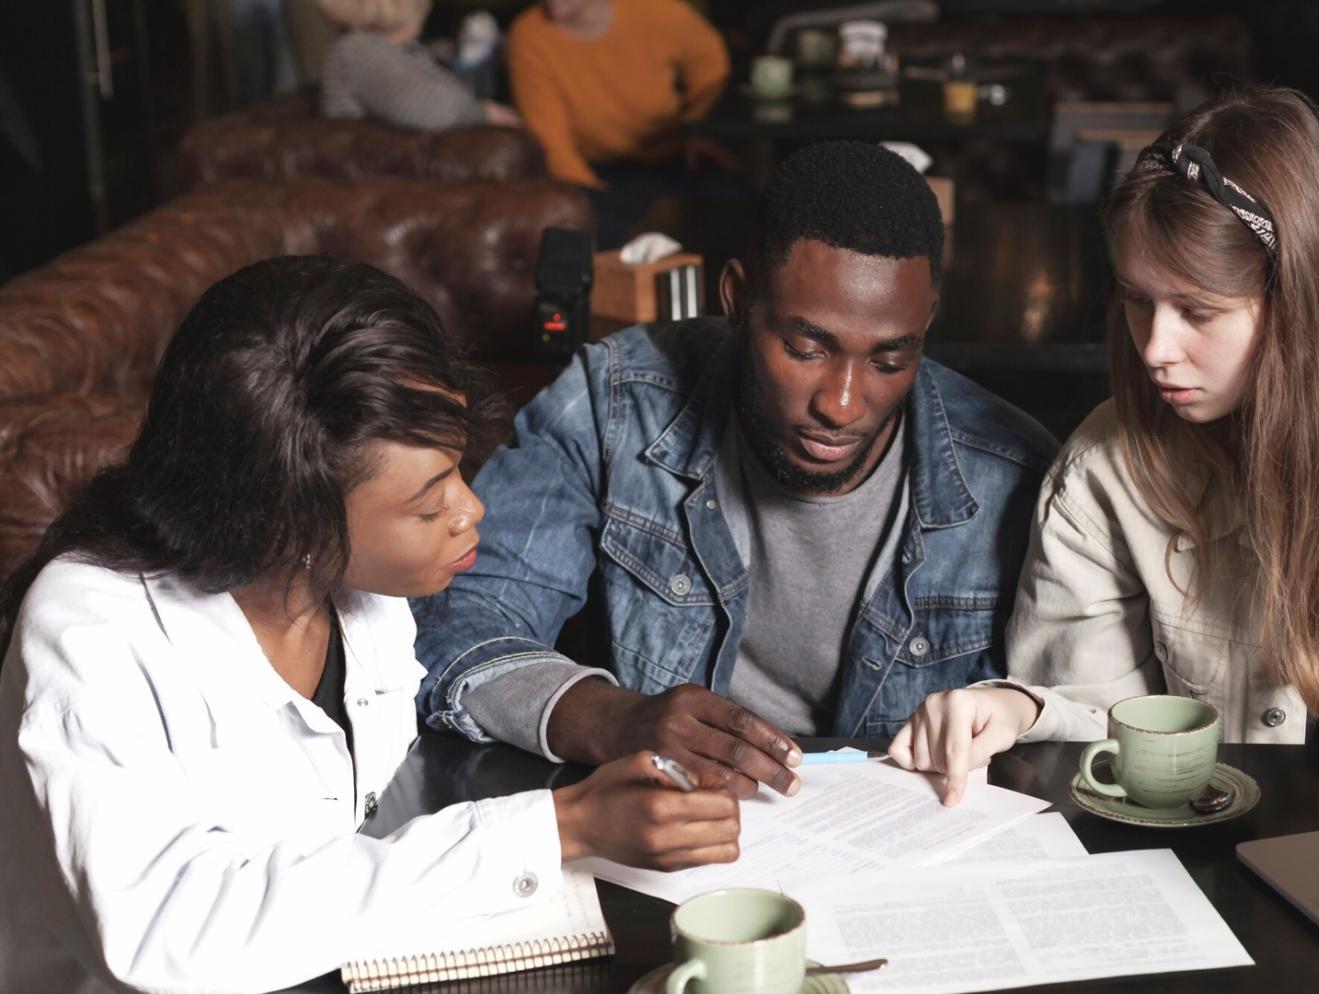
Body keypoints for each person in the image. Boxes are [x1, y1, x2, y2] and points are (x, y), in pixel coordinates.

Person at [0, 257, 739, 994]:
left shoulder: (359, 591)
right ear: (294, 522)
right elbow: (168, 933)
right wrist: (559, 827)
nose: (470, 511)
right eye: (427, 505)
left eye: (455, 471)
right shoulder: (88, 633)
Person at [891, 87, 1319, 804]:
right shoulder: (1100, 471)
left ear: (1300, 299)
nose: (1154, 348)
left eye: (1197, 310)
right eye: (1137, 300)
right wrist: (1024, 710)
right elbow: (1102, 731)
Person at [414, 141, 1058, 801]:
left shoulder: (1012, 473)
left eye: (890, 361)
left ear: (925, 325)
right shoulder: (612, 405)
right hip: (671, 837)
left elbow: (1071, 707)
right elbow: (460, 618)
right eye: (805, 349)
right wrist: (612, 717)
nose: (840, 404)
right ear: (736, 298)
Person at [506, 0, 737, 247]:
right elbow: (552, 145)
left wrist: (696, 128)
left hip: (675, 155)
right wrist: (588, 198)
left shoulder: (655, 11)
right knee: (607, 226)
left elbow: (712, 69)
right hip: (598, 171)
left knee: (732, 206)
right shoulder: (528, 36)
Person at [317, 0, 521, 129]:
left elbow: (418, 61)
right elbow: (434, 106)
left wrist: (467, 48)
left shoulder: (378, 43)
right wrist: (486, 113)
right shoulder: (355, 50)